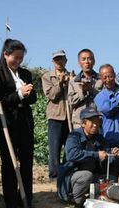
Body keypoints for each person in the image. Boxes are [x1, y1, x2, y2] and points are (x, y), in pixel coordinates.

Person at [0, 39, 36, 208]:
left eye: (21, 58)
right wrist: (19, 94)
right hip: (6, 122)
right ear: (5, 54)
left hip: (25, 123)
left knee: (26, 161)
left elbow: (33, 99)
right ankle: (10, 201)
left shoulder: (26, 74)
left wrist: (27, 94)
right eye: (15, 57)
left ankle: (26, 198)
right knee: (9, 163)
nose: (17, 61)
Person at [59, 106, 119, 208]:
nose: (95, 125)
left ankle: (95, 199)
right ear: (83, 123)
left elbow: (107, 157)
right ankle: (76, 201)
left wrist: (113, 155)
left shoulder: (100, 138)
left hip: (92, 175)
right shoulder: (74, 136)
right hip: (73, 176)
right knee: (86, 175)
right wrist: (96, 155)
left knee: (111, 179)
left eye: (97, 121)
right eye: (92, 122)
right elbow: (72, 155)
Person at [94, 64, 119, 186]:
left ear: (115, 76)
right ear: (100, 78)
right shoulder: (100, 97)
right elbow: (107, 110)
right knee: (111, 179)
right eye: (104, 77)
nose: (108, 80)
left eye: (110, 76)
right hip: (110, 145)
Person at [42, 50, 70, 182]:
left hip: (70, 117)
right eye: (56, 59)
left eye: (61, 59)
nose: (59, 62)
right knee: (55, 147)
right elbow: (52, 95)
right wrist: (60, 83)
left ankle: (65, 173)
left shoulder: (72, 76)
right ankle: (54, 176)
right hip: (55, 116)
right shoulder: (47, 77)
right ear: (53, 62)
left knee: (69, 147)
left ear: (66, 60)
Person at [67, 49, 102, 129]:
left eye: (89, 59)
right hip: (79, 123)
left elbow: (105, 99)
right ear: (79, 63)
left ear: (94, 61)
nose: (87, 62)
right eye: (83, 59)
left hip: (97, 123)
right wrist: (83, 91)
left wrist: (91, 90)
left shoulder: (101, 80)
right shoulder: (73, 81)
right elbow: (71, 102)